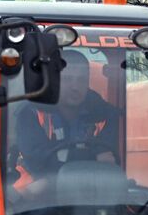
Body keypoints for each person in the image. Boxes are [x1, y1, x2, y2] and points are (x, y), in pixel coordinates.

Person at [8, 51, 120, 189]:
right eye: (67, 79)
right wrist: (92, 156)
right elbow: (38, 164)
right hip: (33, 198)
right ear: (54, 80)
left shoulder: (103, 115)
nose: (75, 87)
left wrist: (63, 157)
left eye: (81, 80)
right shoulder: (31, 113)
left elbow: (108, 160)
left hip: (88, 192)